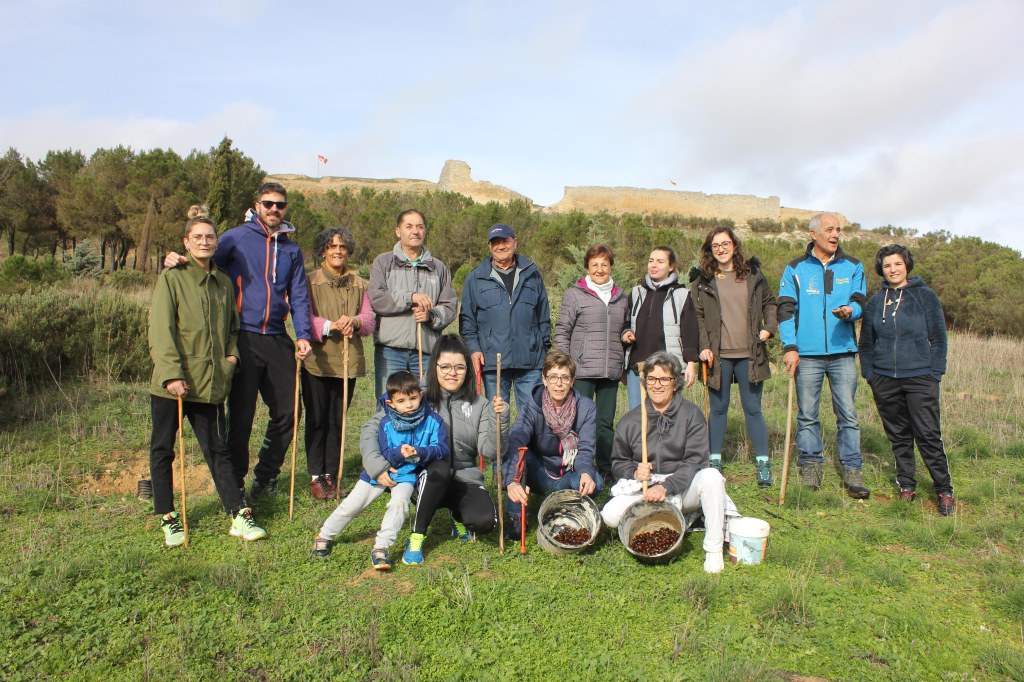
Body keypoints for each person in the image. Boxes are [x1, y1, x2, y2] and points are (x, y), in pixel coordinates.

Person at [164, 182, 313, 500]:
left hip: (276, 337)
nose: (274, 209)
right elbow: (203, 259)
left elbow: (299, 295)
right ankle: (236, 484)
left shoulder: (291, 249)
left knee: (288, 412)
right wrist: (178, 260)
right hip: (242, 336)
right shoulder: (235, 237)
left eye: (280, 205)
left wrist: (302, 335)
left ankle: (267, 476)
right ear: (256, 204)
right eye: (268, 203)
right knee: (241, 417)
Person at [148, 208, 266, 546]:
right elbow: (161, 329)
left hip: (211, 382)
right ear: (186, 242)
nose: (204, 241)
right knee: (163, 449)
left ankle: (238, 513)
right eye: (197, 237)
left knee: (218, 449)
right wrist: (171, 375)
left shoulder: (224, 283)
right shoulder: (172, 278)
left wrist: (231, 358)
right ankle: (169, 516)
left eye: (209, 237)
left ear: (217, 242)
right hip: (173, 386)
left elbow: (232, 328)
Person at [601, 351, 730, 574]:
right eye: (651, 379)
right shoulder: (631, 420)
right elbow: (618, 462)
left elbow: (695, 462)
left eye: (664, 379)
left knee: (712, 478)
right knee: (610, 515)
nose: (657, 385)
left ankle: (713, 549)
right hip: (645, 488)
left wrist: (666, 486)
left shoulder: (692, 415)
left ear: (675, 383)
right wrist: (634, 471)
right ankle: (663, 520)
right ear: (645, 382)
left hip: (681, 486)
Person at [312, 371, 448, 570]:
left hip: (407, 475)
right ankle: (325, 534)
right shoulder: (385, 423)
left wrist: (420, 451)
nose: (409, 405)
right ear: (391, 403)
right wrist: (399, 454)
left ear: (421, 394)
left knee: (399, 504)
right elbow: (384, 451)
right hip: (379, 471)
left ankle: (381, 547)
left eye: (413, 398)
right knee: (352, 505)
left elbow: (442, 450)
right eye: (401, 401)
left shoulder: (434, 421)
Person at [778, 213, 869, 498]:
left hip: (843, 353)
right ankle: (810, 465)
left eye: (839, 230)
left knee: (848, 415)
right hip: (807, 356)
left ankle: (853, 470)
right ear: (813, 234)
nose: (836, 234)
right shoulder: (795, 268)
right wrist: (790, 347)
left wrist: (850, 312)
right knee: (808, 416)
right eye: (830, 229)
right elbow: (785, 310)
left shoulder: (853, 266)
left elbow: (860, 301)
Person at [859, 245, 954, 515]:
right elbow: (866, 342)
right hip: (884, 379)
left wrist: (934, 374)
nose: (893, 269)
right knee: (899, 436)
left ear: (906, 265)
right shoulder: (876, 301)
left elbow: (939, 338)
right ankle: (907, 486)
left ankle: (944, 490)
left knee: (928, 435)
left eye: (897, 264)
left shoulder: (925, 296)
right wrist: (870, 374)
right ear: (882, 270)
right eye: (888, 266)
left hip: (921, 378)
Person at [690, 227, 778, 485]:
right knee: (718, 409)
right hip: (718, 356)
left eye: (725, 243)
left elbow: (770, 303)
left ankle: (763, 464)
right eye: (715, 245)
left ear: (734, 245)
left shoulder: (753, 275)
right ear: (710, 249)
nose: (721, 248)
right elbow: (697, 316)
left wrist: (769, 328)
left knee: (753, 409)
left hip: (750, 353)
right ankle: (713, 463)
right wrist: (703, 346)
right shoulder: (702, 281)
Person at [409, 335, 508, 553]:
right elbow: (375, 427)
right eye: (445, 366)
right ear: (434, 366)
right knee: (439, 469)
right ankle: (417, 535)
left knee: (485, 522)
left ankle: (457, 511)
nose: (452, 373)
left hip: (465, 477)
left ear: (468, 370)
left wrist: (498, 419)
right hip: (426, 474)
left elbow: (490, 451)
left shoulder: (480, 404)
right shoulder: (418, 397)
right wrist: (378, 466)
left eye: (459, 367)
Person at [302, 227, 375, 500]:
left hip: (347, 362)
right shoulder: (309, 281)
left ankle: (331, 475)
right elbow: (303, 318)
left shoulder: (360, 283)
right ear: (323, 250)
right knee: (318, 419)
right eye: (332, 246)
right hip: (317, 362)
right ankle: (315, 475)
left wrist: (354, 321)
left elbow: (368, 319)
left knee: (337, 420)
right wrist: (331, 325)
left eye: (342, 247)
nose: (337, 251)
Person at [504, 349, 602, 537]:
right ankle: (516, 518)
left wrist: (585, 473)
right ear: (544, 379)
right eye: (553, 377)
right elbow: (517, 438)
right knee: (519, 455)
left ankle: (570, 509)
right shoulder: (532, 405)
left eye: (565, 378)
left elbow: (586, 448)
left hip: (568, 472)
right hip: (539, 472)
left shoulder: (586, 408)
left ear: (572, 381)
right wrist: (510, 482)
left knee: (595, 481)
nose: (559, 383)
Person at [554, 244, 629, 479]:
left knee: (605, 425)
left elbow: (626, 325)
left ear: (610, 267)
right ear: (587, 266)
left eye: (604, 264)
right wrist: (564, 365)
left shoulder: (621, 297)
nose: (599, 269)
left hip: (610, 371)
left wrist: (627, 332)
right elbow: (562, 330)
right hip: (582, 370)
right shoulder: (575, 294)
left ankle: (607, 469)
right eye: (595, 264)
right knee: (577, 423)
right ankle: (576, 468)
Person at [460, 223, 551, 412]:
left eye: (505, 241)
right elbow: (467, 321)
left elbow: (543, 317)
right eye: (495, 242)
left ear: (515, 242)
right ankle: (499, 443)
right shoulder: (475, 278)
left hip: (530, 361)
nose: (501, 246)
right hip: (493, 362)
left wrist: (544, 351)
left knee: (532, 416)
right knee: (497, 419)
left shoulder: (532, 275)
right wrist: (474, 349)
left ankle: (525, 444)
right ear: (489, 247)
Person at [368, 209, 457, 399]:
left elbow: (449, 306)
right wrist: (411, 297)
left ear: (425, 231)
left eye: (420, 226)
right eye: (409, 226)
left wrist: (431, 316)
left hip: (425, 351)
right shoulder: (383, 262)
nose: (415, 231)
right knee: (388, 404)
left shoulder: (438, 267)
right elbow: (377, 299)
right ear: (398, 231)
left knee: (428, 403)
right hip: (390, 349)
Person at [623, 246, 698, 410]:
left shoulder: (682, 295)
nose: (653, 265)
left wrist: (691, 363)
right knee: (637, 415)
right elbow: (625, 322)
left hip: (668, 369)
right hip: (637, 368)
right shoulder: (636, 293)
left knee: (666, 414)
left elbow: (690, 331)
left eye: (660, 261)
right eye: (651, 261)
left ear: (671, 266)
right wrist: (626, 332)